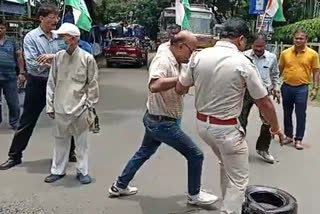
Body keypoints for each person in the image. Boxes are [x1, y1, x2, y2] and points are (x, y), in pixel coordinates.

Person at [176, 18, 284, 214]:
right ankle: (229, 210)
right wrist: (276, 128)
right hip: (226, 131)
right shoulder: (242, 62)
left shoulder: (199, 56)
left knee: (226, 164)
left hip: (203, 126)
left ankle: (228, 202)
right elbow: (264, 102)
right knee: (239, 180)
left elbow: (180, 87)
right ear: (241, 40)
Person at [108, 31, 218, 206]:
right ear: (181, 46)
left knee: (144, 152)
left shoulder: (172, 50)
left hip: (156, 117)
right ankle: (194, 195)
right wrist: (183, 78)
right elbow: (154, 85)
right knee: (195, 155)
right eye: (192, 50)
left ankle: (119, 185)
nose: (192, 54)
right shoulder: (163, 60)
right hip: (162, 122)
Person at [0, 4, 71, 170]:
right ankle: (14, 156)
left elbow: (68, 57)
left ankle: (71, 152)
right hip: (37, 83)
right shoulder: (31, 37)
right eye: (52, 17)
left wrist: (51, 59)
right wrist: (57, 61)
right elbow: (33, 64)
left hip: (59, 83)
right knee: (27, 121)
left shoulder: (59, 37)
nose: (56, 20)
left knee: (67, 118)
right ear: (41, 18)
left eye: (56, 17)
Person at [44, 23, 99, 184]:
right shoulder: (59, 57)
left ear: (73, 39)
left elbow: (93, 84)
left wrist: (88, 105)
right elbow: (51, 82)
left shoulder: (87, 58)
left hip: (80, 108)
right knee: (60, 140)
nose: (61, 40)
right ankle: (57, 170)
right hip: (60, 106)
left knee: (81, 143)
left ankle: (82, 171)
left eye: (63, 37)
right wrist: (50, 105)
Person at [239, 34, 281, 164]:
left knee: (268, 121)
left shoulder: (272, 57)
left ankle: (263, 149)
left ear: (265, 46)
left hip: (263, 94)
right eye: (256, 47)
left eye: (261, 47)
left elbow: (275, 75)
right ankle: (239, 151)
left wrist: (277, 87)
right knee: (240, 122)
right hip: (246, 93)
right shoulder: (243, 56)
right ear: (251, 45)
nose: (258, 49)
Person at [279, 29, 319, 150]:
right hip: (286, 86)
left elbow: (316, 71)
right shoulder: (285, 53)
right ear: (293, 39)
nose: (298, 40)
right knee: (287, 112)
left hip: (302, 88)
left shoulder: (313, 54)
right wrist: (274, 85)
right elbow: (279, 69)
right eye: (296, 38)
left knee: (301, 114)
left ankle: (299, 139)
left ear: (306, 40)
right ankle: (289, 136)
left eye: (301, 38)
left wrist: (315, 88)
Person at [0, 20, 25, 129]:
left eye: (1, 27)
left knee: (13, 102)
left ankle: (14, 122)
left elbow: (19, 57)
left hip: (9, 76)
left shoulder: (12, 41)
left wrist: (21, 72)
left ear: (5, 29)